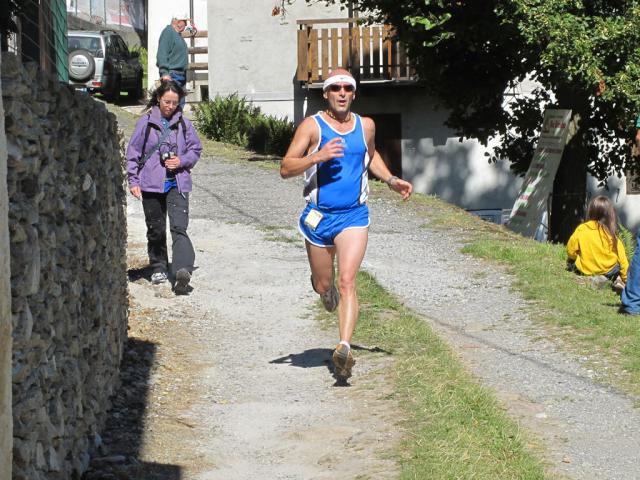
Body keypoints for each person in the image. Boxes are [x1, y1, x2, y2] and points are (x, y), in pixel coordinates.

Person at [280, 69, 413, 382]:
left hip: (354, 215)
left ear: (354, 94)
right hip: (319, 217)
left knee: (348, 281)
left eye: (347, 88)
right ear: (326, 94)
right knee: (324, 283)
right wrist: (318, 156)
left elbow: (369, 155)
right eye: (335, 88)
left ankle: (344, 348)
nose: (342, 93)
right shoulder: (312, 126)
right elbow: (286, 167)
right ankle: (324, 294)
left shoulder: (366, 125)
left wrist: (391, 179)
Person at [126, 81, 202, 295]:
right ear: (158, 99)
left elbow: (196, 149)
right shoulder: (146, 123)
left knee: (179, 227)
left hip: (177, 182)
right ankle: (158, 266)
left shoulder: (185, 124)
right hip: (151, 184)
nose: (170, 106)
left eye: (175, 103)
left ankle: (182, 270)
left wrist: (182, 161)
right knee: (156, 228)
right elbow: (133, 153)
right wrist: (133, 181)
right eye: (167, 101)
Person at [566, 195, 628, 292]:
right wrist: (626, 279)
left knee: (571, 262)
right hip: (609, 271)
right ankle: (617, 280)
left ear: (590, 211)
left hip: (586, 270)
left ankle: (597, 279)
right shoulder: (611, 235)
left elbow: (570, 250)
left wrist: (573, 259)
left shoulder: (582, 229)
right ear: (610, 215)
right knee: (618, 267)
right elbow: (623, 261)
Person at [156, 12, 196, 104]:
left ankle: (177, 119)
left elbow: (192, 32)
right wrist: (164, 73)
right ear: (178, 21)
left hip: (180, 75)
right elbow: (162, 53)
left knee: (178, 106)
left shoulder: (177, 34)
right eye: (184, 22)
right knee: (172, 106)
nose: (186, 25)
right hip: (172, 75)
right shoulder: (168, 32)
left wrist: (192, 26)